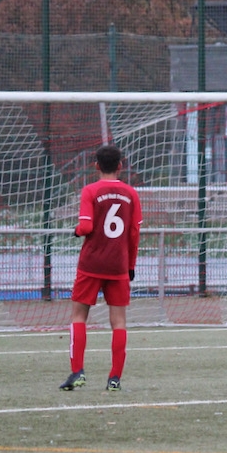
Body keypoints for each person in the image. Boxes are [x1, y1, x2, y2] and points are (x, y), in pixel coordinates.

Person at [60, 145, 142, 391]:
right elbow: (134, 233)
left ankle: (77, 372)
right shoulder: (131, 194)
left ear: (96, 166)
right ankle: (114, 378)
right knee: (119, 322)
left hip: (91, 264)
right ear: (120, 166)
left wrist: (76, 231)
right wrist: (130, 265)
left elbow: (86, 227)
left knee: (79, 316)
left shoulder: (90, 191)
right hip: (118, 265)